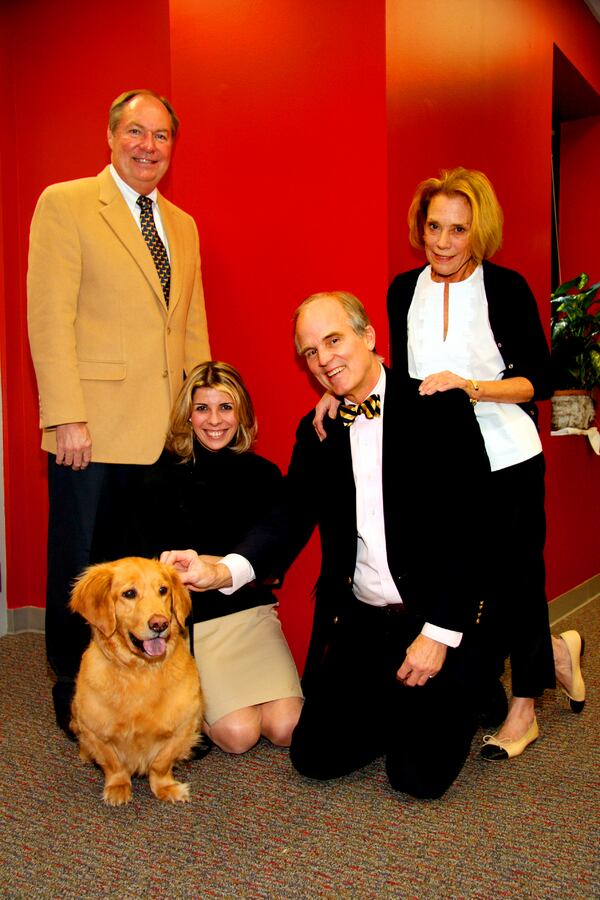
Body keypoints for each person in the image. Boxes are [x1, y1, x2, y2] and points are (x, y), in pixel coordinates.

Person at [162, 291, 492, 800]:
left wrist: (440, 633)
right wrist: (222, 570)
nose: (324, 359)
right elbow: (288, 516)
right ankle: (405, 699)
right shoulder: (318, 430)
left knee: (416, 779)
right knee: (313, 756)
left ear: (368, 337)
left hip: (433, 619)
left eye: (333, 340)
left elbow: (473, 528)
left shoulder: (439, 410)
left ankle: (468, 681)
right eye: (310, 352)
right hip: (363, 621)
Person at [384, 167, 585, 759]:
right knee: (470, 581)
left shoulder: (506, 287)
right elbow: (399, 375)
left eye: (458, 230)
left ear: (479, 232)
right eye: (434, 228)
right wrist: (342, 395)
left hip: (506, 456)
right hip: (437, 465)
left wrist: (471, 386)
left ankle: (525, 709)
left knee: (517, 581)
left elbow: (539, 382)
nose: (444, 242)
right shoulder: (403, 289)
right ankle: (555, 653)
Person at [27, 89, 210, 738]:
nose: (147, 147)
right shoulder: (67, 203)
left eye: (161, 137)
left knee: (145, 581)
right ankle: (77, 697)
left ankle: (142, 695)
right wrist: (66, 416)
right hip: (93, 430)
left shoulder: (182, 225)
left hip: (162, 435)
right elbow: (49, 318)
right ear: (110, 136)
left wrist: (199, 414)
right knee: (86, 570)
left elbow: (189, 330)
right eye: (135, 132)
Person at [137, 361, 303, 753]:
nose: (214, 420)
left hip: (253, 615)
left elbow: (272, 566)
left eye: (225, 407)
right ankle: (185, 708)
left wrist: (214, 566)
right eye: (202, 408)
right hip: (198, 624)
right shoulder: (159, 475)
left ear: (242, 412)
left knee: (286, 727)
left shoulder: (265, 475)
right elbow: (152, 568)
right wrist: (224, 565)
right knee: (239, 735)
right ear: (187, 414)